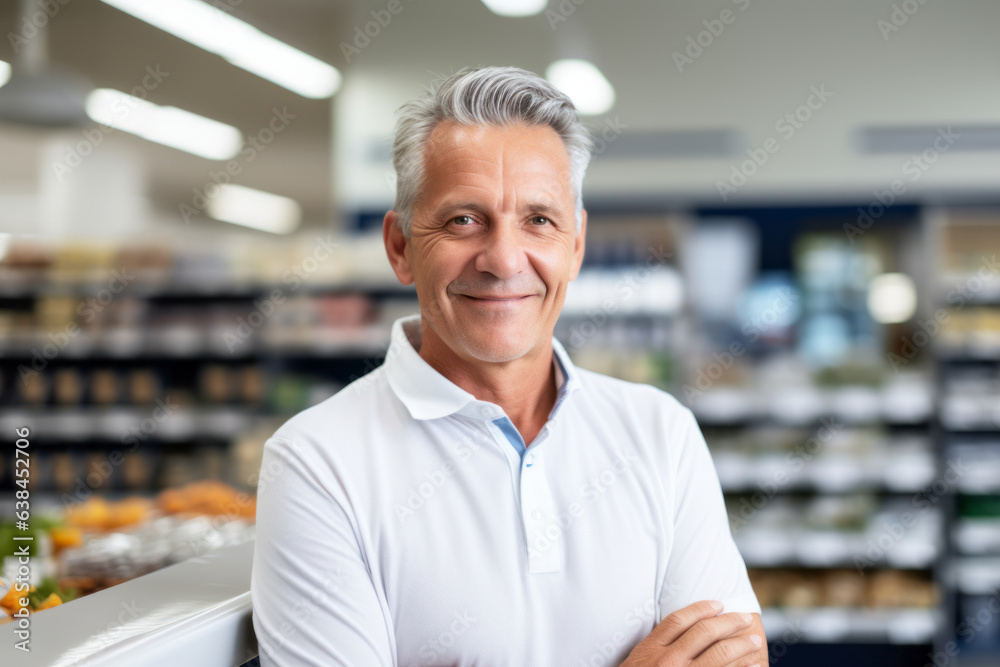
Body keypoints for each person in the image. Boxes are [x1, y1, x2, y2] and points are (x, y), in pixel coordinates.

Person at [251, 65, 767, 667]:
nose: (502, 260)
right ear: (400, 248)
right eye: (463, 220)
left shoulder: (661, 434)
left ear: (574, 247)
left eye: (539, 220)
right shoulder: (318, 464)